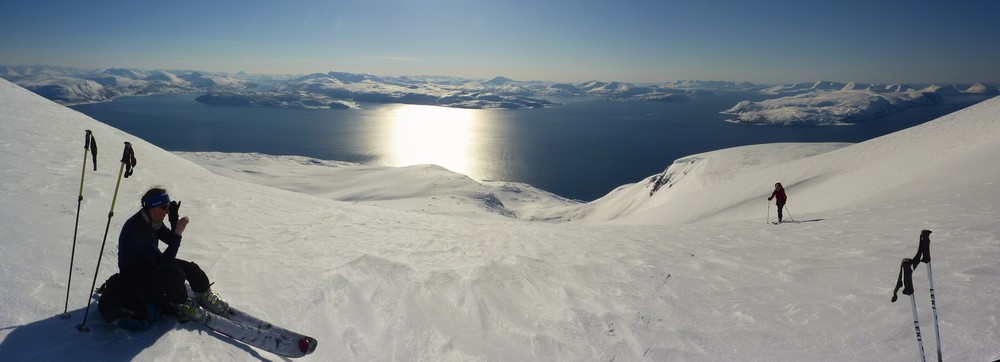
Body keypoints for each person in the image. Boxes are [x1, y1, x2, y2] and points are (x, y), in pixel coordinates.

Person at [117, 187, 228, 322]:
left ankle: (204, 293)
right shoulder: (139, 229)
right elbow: (164, 262)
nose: (167, 210)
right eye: (165, 207)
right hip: (135, 277)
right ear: (153, 208)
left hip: (150, 263)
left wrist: (173, 219)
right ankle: (180, 304)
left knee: (191, 268)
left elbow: (170, 239)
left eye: (168, 206)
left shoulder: (152, 220)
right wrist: (177, 234)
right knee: (175, 275)